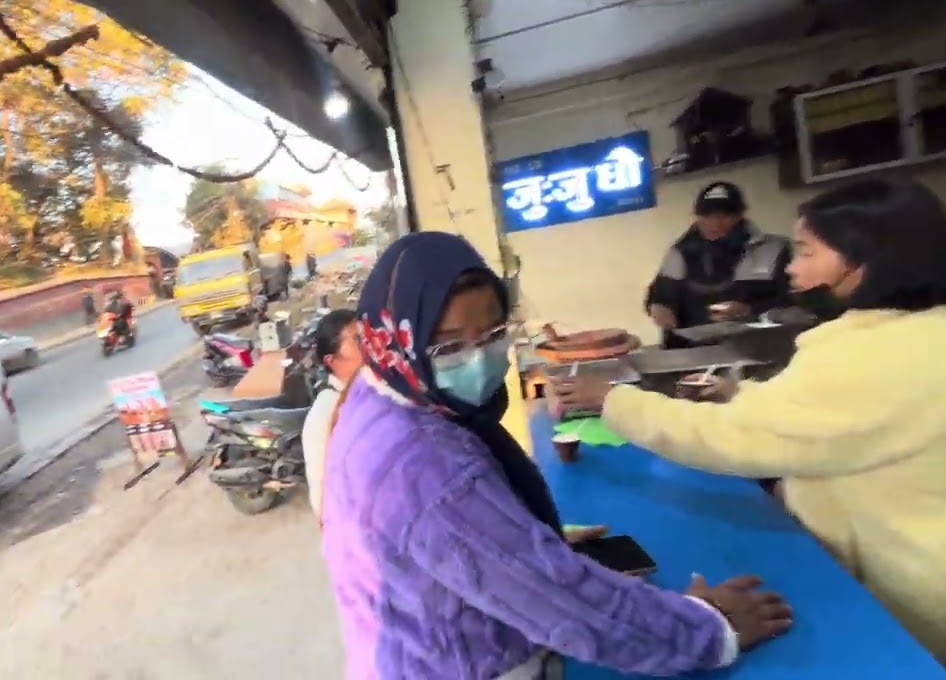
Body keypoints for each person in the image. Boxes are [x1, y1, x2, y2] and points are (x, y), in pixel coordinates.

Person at [322, 231, 790, 680]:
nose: (478, 358)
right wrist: (706, 631)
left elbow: (426, 535)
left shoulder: (377, 393)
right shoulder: (428, 466)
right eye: (448, 345)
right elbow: (558, 603)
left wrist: (506, 528)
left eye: (493, 333)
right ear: (395, 340)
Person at [553, 178, 946, 669]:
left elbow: (732, 439)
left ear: (863, 260)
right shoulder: (935, 329)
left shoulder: (868, 353)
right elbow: (829, 422)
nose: (792, 267)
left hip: (922, 601)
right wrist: (739, 395)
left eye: (807, 252)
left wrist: (612, 401)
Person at [646, 181, 791, 348]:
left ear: (740, 215)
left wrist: (749, 310)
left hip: (756, 347)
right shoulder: (678, 252)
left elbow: (791, 302)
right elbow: (658, 296)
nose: (715, 224)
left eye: (724, 216)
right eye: (706, 216)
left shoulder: (772, 249)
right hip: (690, 350)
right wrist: (657, 307)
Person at [300, 309, 360, 517]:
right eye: (358, 340)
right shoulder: (324, 416)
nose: (371, 345)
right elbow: (322, 499)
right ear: (331, 361)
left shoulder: (374, 391)